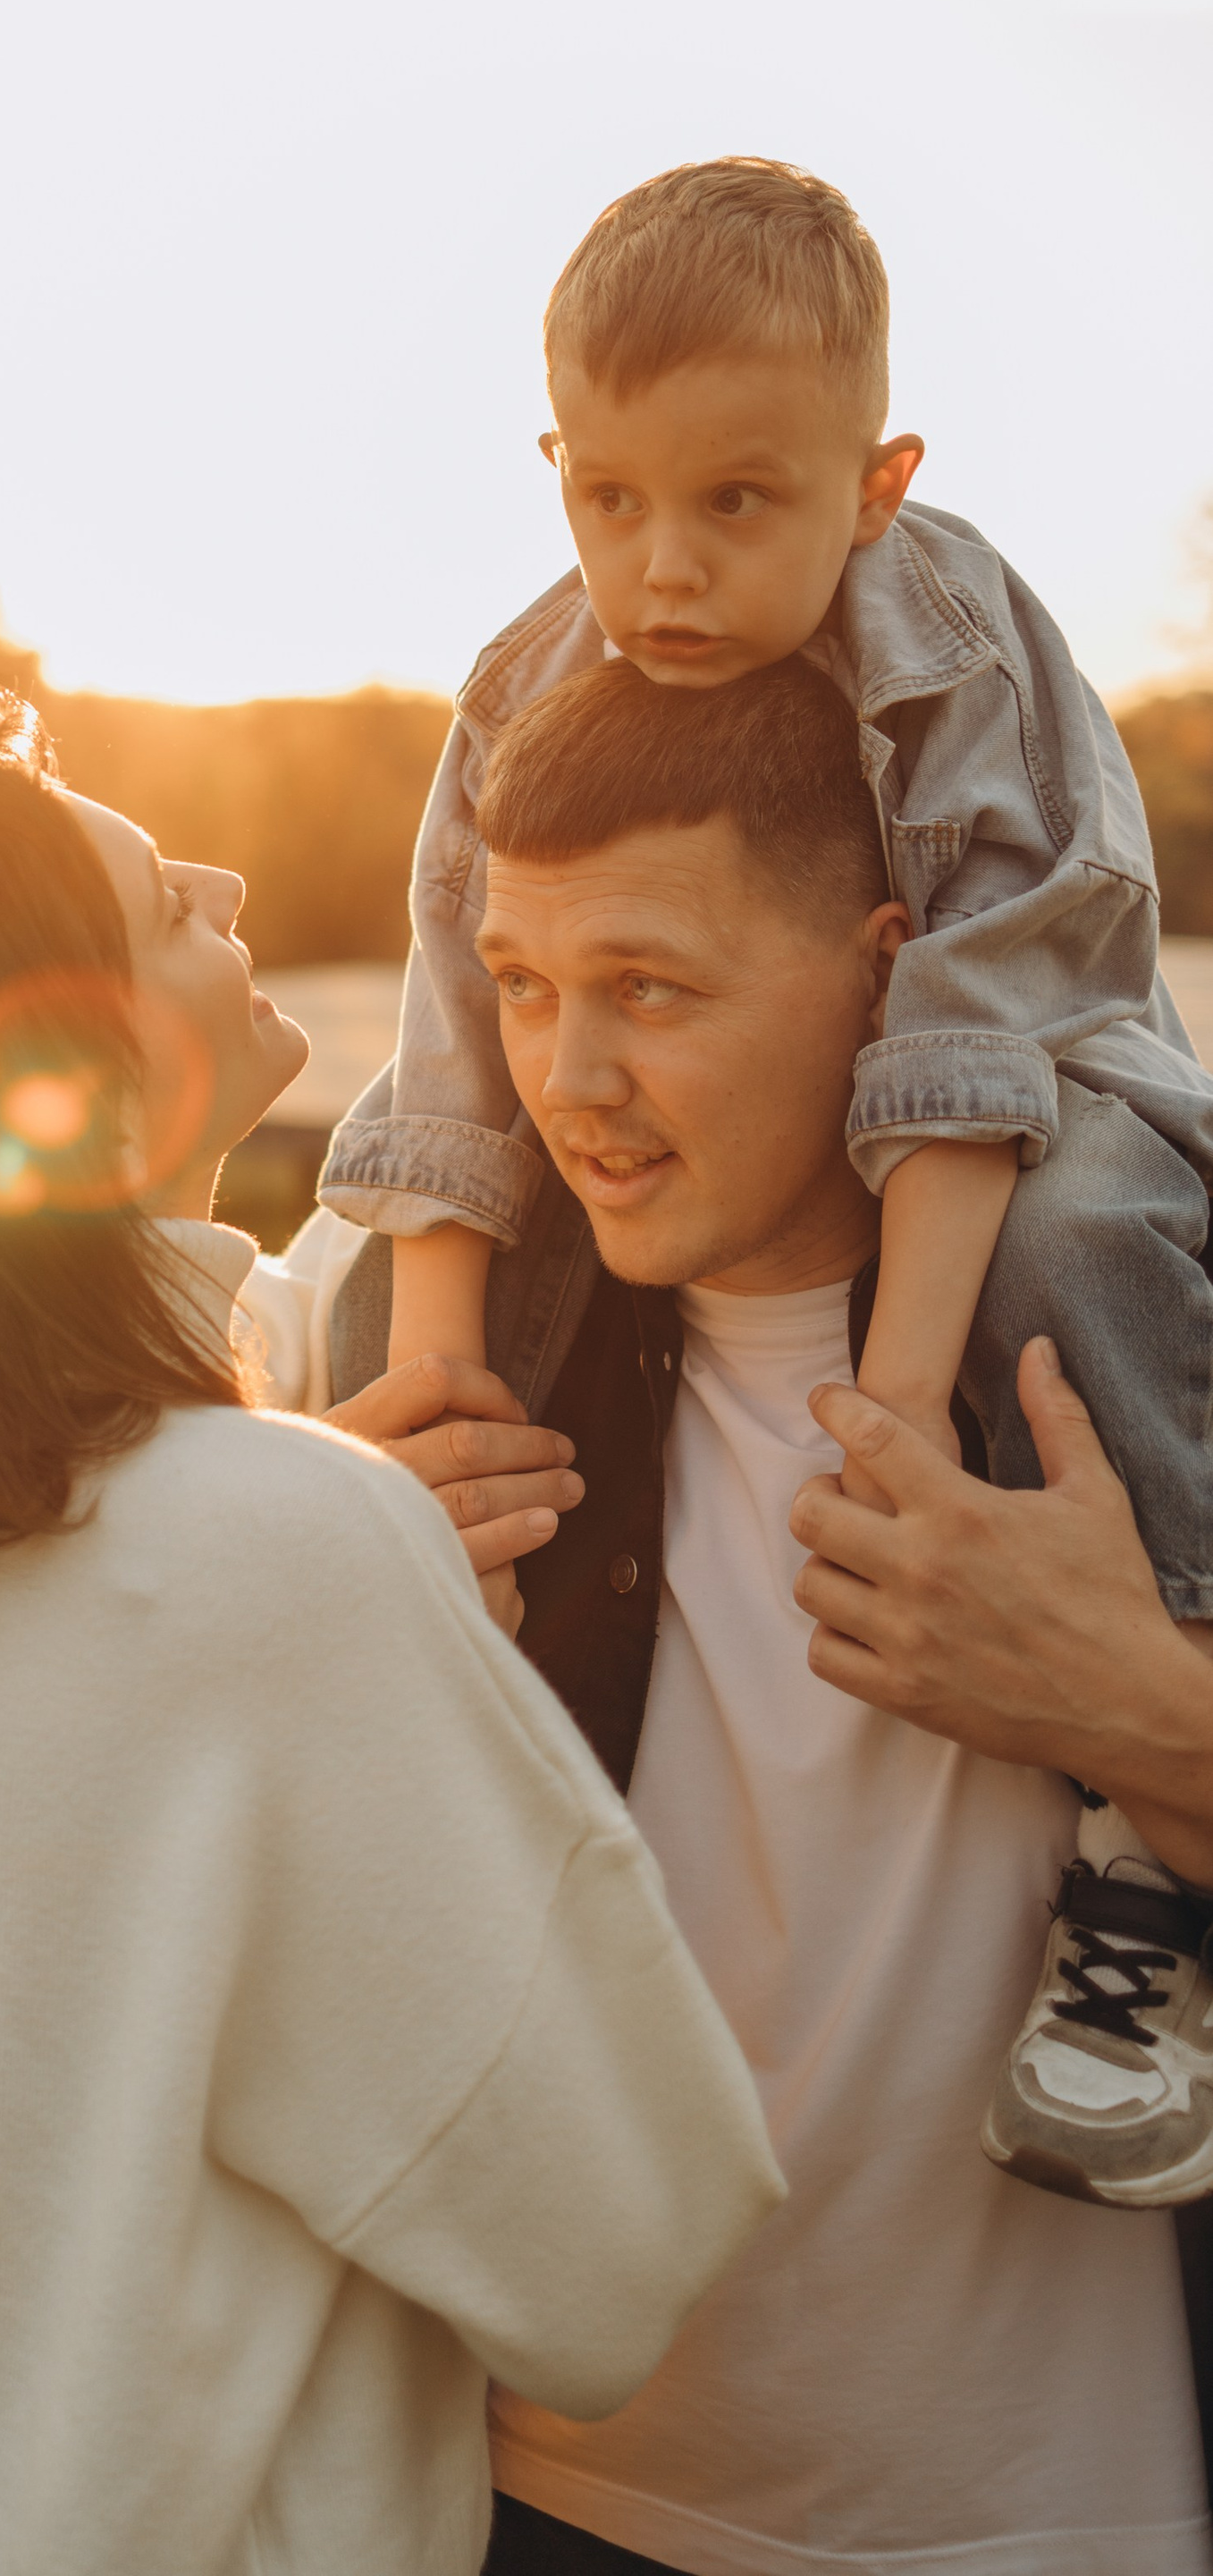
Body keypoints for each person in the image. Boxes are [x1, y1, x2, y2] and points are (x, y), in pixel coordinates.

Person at [0, 712, 779, 2576]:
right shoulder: (275, 1547)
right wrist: (380, 1593)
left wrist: (317, 1521)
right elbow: (610, 2249)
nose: (227, 885)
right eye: (165, 900)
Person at [319, 154, 1213, 2201]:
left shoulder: (968, 651)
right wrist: (433, 1368)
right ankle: (484, 1889)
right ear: (552, 461)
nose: (663, 575)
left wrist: (897, 1392)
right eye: (606, 500)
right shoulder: (529, 680)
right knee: (395, 1312)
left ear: (875, 482)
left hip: (1052, 1083)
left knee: (1072, 1246)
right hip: (588, 2457)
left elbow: (974, 1022)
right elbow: (455, 1013)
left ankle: (1142, 1863)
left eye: (738, 503)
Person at [326, 655, 1213, 2576]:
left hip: (1071, 2515)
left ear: (893, 976)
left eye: (647, 988)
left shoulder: (1159, 1328)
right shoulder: (406, 1360)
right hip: (533, 2493)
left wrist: (1142, 1711)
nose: (565, 1081)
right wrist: (322, 1619)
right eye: (523, 986)